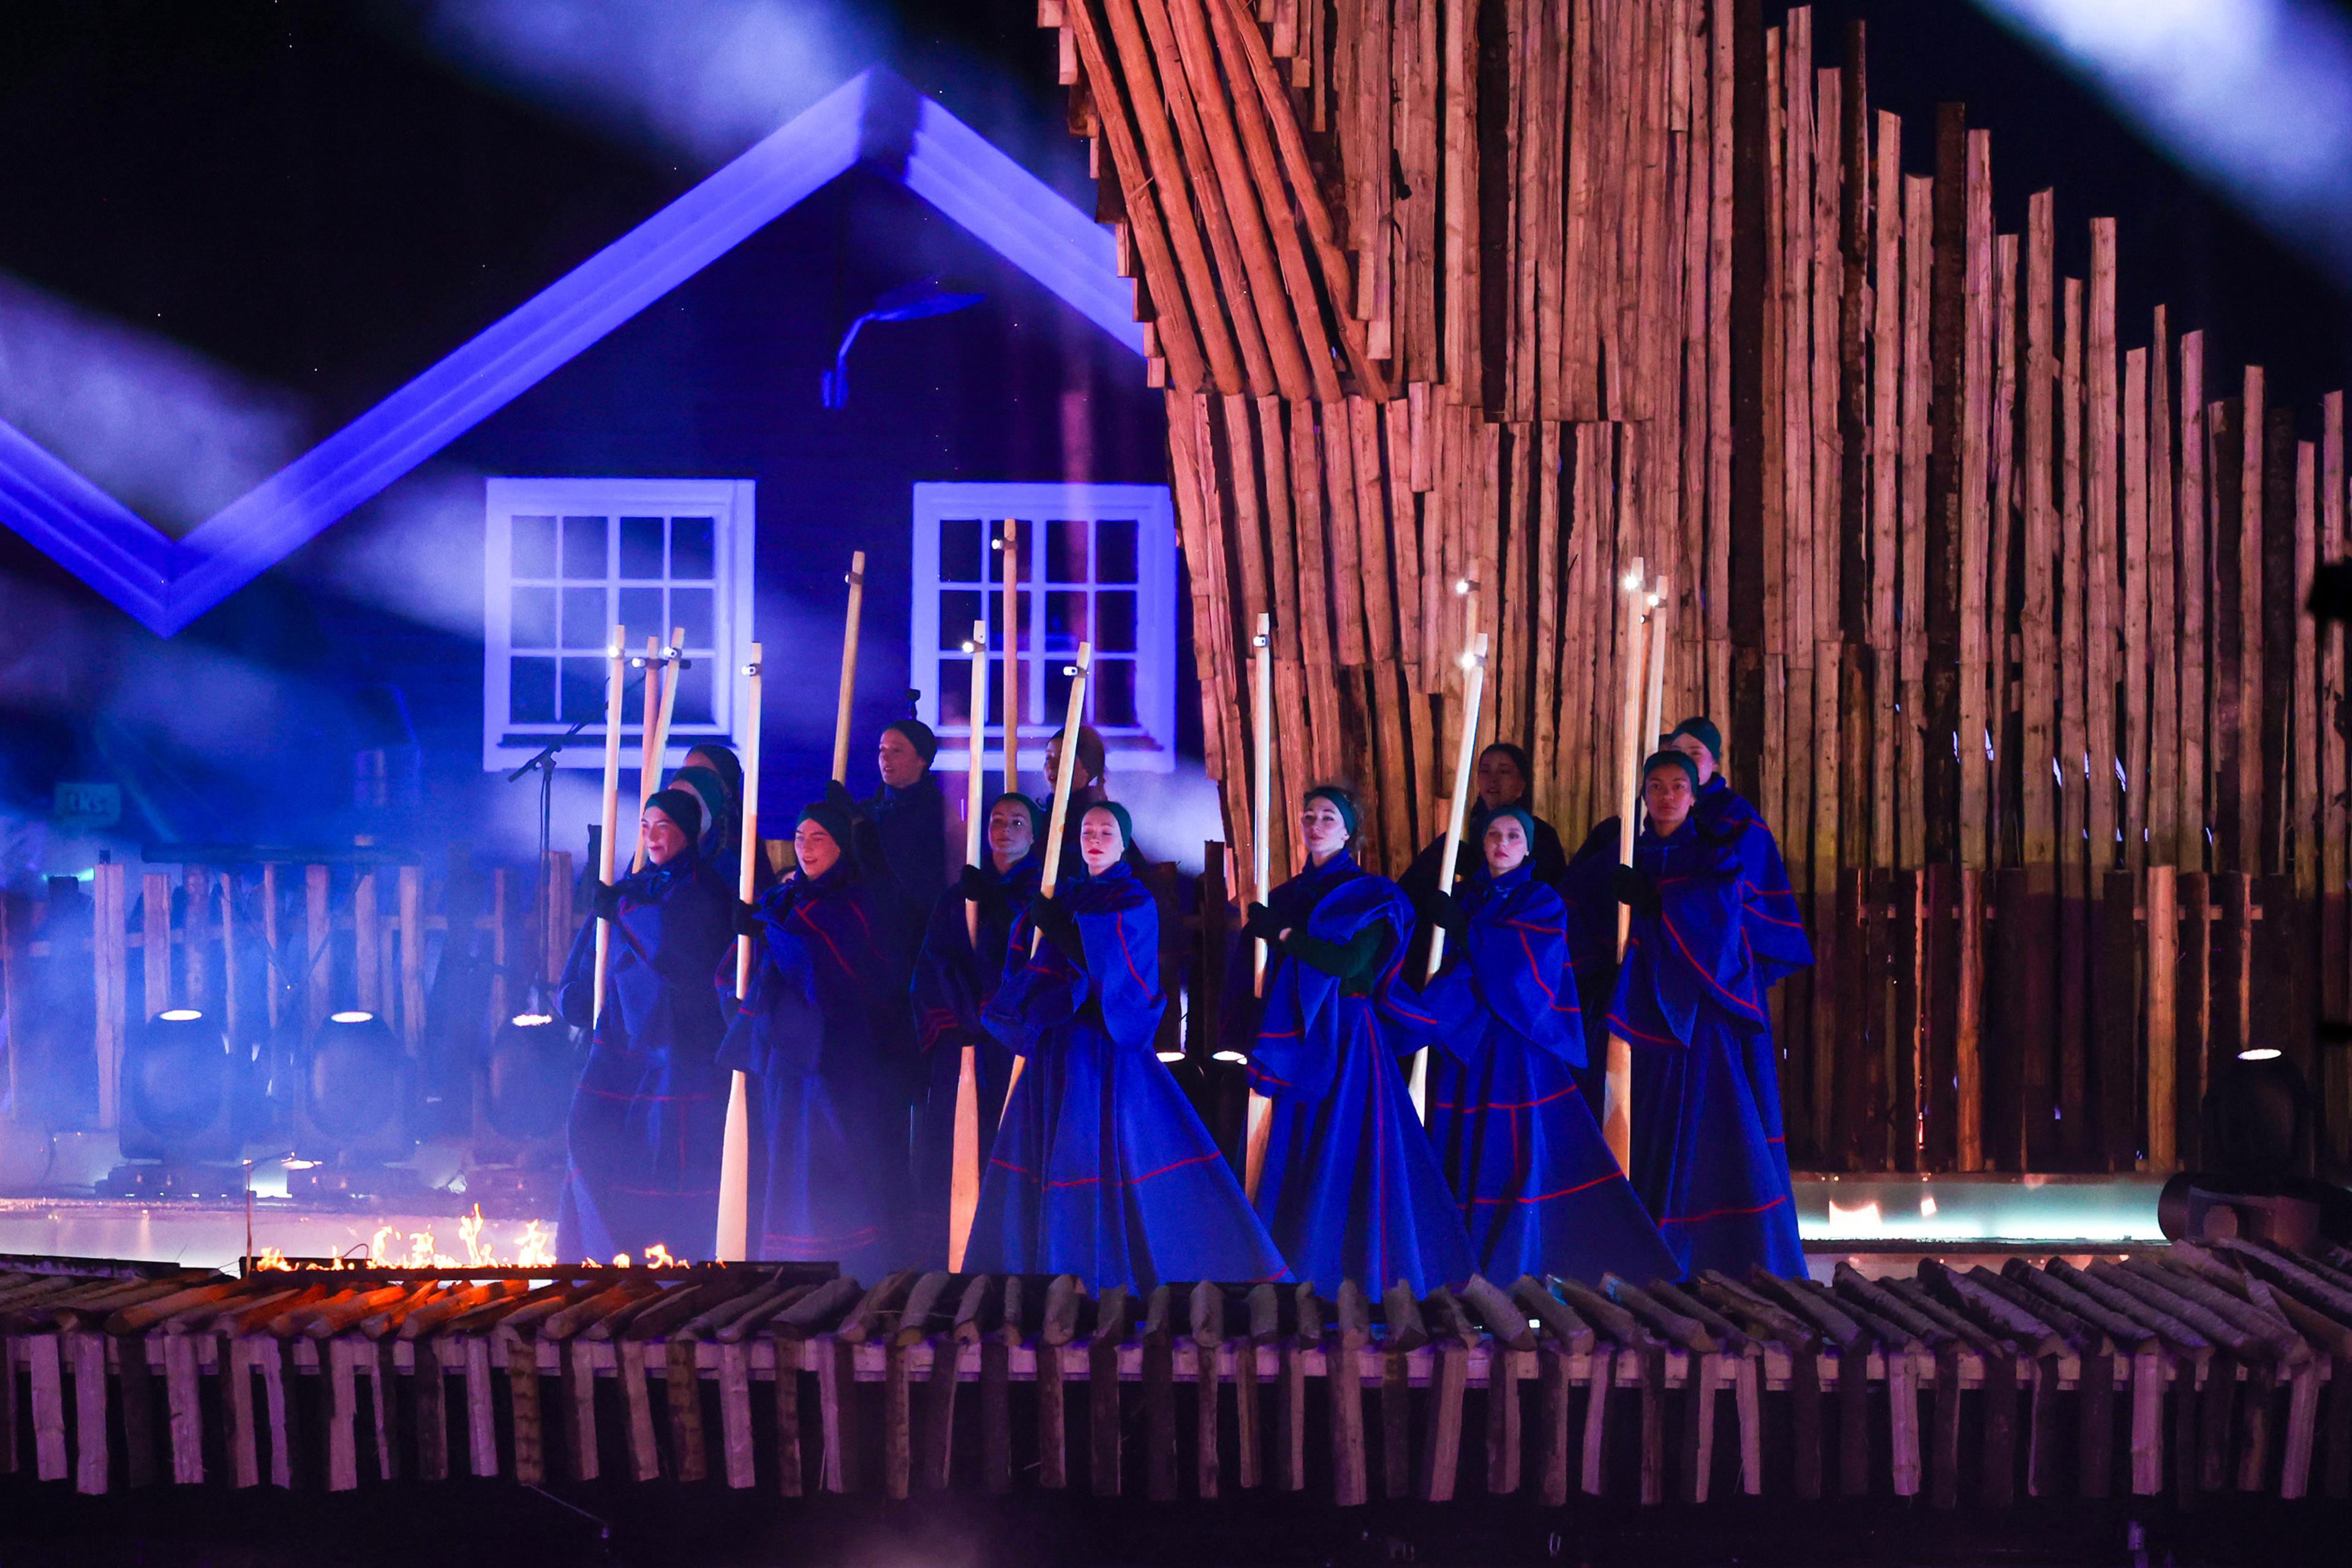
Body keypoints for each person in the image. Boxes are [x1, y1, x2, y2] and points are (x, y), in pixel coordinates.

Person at [965, 802, 1287, 1290]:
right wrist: (1022, 914)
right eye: (1087, 832)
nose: (1095, 840)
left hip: (1103, 1052)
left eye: (1106, 832)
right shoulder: (1064, 894)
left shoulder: (1134, 901)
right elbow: (1034, 952)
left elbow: (1112, 967)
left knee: (1095, 1156)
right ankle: (1046, 1269)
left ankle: (1100, 1271)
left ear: (1122, 844)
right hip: (1057, 1049)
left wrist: (1060, 928)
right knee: (1045, 1155)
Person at [1395, 807, 1678, 1285]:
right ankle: (1457, 1258)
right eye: (1493, 835)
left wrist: (1465, 929)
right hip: (1465, 1045)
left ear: (1528, 848)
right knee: (1461, 1146)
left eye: (1513, 836)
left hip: (1516, 1048)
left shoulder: (1541, 901)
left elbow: (1524, 968)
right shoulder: (1463, 897)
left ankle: (1516, 1258)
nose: (1502, 843)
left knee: (1514, 1153)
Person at [1238, 785, 1477, 1295]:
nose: (1316, 824)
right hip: (1296, 1034)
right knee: (1295, 1144)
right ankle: (1284, 1261)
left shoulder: (1372, 895)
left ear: (1350, 832)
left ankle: (1348, 1266)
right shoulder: (1284, 897)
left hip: (1347, 1037)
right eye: (1309, 816)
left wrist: (1285, 937)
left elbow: (1347, 963)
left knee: (1348, 1142)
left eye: (1329, 817)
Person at [1606, 751, 1806, 1277]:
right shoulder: (1625, 853)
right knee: (1640, 1125)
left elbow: (1719, 917)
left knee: (1705, 1124)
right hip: (1638, 1019)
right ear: (1643, 794)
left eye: (1678, 786)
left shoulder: (1712, 857)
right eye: (1656, 786)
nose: (1667, 796)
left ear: (1694, 796)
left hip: (1697, 1022)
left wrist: (1658, 901)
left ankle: (1717, 1251)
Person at [718, 800, 911, 1276]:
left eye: (818, 838)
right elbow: (750, 973)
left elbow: (828, 972)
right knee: (787, 1157)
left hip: (838, 1060)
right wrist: (753, 939)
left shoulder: (856, 904)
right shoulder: (784, 900)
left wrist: (770, 932)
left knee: (835, 1157)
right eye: (800, 838)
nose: (805, 848)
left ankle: (854, 1267)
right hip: (787, 1056)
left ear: (841, 846)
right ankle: (790, 1260)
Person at [554, 788, 735, 1263]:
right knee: (592, 1132)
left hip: (679, 1047)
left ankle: (674, 1257)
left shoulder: (702, 890)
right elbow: (600, 947)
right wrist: (578, 989)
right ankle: (601, 1253)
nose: (652, 837)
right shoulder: (634, 887)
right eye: (645, 827)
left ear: (687, 833)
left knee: (666, 1156)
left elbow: (673, 944)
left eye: (664, 827)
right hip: (623, 1041)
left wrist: (622, 908)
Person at [1662, 717, 1812, 1169]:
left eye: (1695, 755)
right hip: (1665, 974)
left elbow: (1741, 894)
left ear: (1714, 763)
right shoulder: (1652, 814)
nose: (1686, 763)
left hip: (1725, 975)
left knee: (1729, 1077)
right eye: (1676, 753)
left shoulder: (1736, 820)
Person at [907, 792, 1044, 1265]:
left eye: (1017, 822)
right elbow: (932, 966)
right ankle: (952, 1252)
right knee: (957, 1145)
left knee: (1010, 1142)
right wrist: (957, 1017)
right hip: (963, 1048)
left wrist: (996, 908)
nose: (1004, 830)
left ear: (1035, 834)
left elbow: (1034, 963)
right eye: (997, 821)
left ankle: (1012, 1251)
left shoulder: (1042, 895)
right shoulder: (957, 899)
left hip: (1012, 1048)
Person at [828, 718, 960, 951]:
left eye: (897, 751)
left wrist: (857, 822)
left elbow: (895, 868)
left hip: (913, 937)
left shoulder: (937, 812)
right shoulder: (871, 809)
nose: (885, 758)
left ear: (922, 759)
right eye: (882, 750)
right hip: (864, 932)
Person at [1400, 743, 1570, 905]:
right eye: (1485, 771)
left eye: (1504, 772)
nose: (1493, 779)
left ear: (1522, 784)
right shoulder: (1472, 829)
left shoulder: (1542, 836)